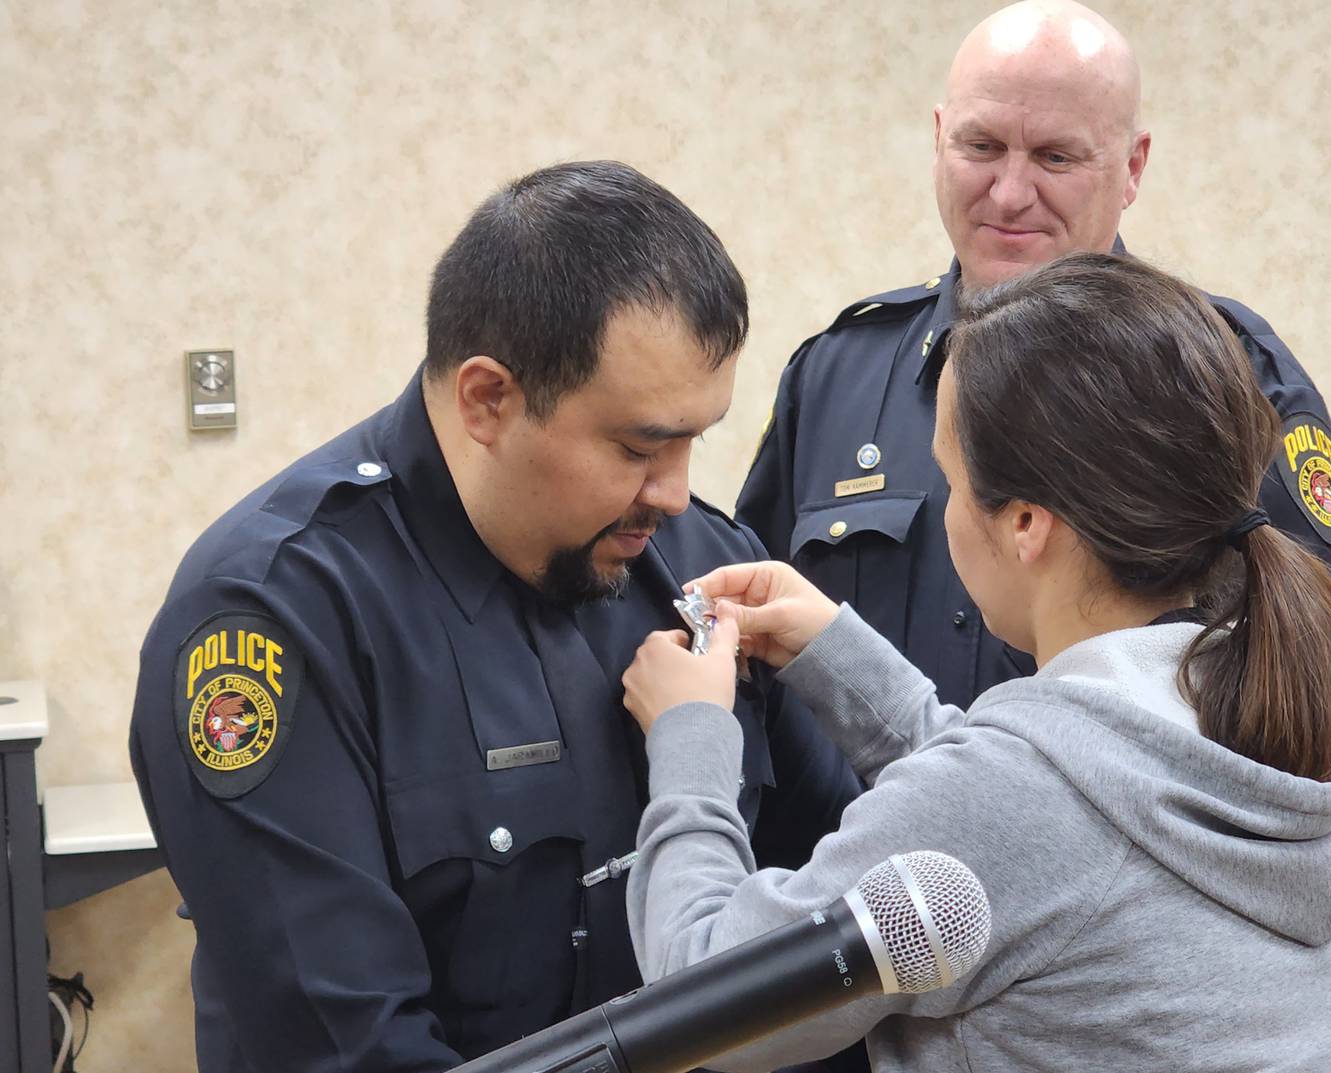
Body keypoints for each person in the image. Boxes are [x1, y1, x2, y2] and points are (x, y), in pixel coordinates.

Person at [128, 160, 859, 1073]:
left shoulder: (697, 562)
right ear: (487, 399)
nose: (673, 492)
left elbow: (840, 915)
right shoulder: (276, 617)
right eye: (638, 446)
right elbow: (348, 1048)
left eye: (693, 441)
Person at [621, 253, 1331, 1072]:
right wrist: (835, 651)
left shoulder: (1018, 797)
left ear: (1026, 523)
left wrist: (691, 734)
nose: (948, 509)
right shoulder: (1309, 715)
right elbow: (1050, 811)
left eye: (951, 480)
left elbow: (700, 999)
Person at [736, 0, 1331, 714]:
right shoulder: (835, 377)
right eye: (981, 147)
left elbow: (1318, 705)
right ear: (939, 139)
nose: (1010, 194)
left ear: (1132, 167)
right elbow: (753, 658)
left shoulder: (1225, 377)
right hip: (861, 826)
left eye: (1055, 156)